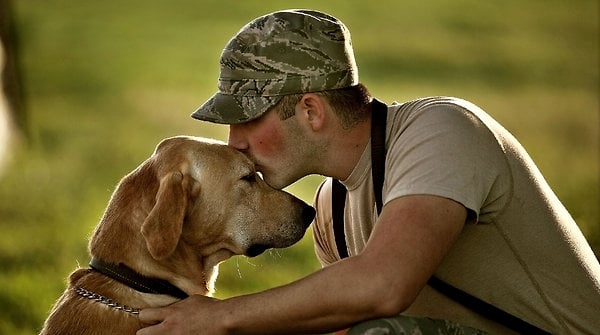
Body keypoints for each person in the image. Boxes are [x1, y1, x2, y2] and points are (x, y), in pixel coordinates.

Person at [137, 9, 600, 335]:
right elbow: (344, 316)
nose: (234, 140)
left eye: (248, 118)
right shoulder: (330, 209)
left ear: (312, 111)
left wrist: (219, 317)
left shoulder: (442, 130)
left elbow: (382, 286)